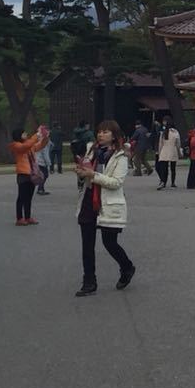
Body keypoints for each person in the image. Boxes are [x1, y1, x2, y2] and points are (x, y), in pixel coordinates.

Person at [74, 120, 135, 296]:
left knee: (109, 242)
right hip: (88, 199)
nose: (101, 135)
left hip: (108, 202)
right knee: (87, 244)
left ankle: (127, 266)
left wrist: (93, 175)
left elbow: (116, 183)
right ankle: (89, 282)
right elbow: (85, 176)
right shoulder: (91, 151)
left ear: (114, 135)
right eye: (99, 132)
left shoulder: (120, 156)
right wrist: (81, 174)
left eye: (106, 132)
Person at [11, 127, 49, 225]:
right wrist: (37, 135)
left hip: (32, 173)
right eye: (24, 133)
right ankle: (19, 218)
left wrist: (45, 137)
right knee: (21, 197)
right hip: (23, 174)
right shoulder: (15, 145)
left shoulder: (29, 144)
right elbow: (24, 147)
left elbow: (40, 146)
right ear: (19, 135)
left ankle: (27, 217)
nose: (26, 134)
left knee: (29, 197)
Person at [155, 117, 181, 191]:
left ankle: (163, 182)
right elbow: (178, 143)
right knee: (173, 168)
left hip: (164, 151)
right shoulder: (175, 132)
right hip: (173, 150)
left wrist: (159, 153)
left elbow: (160, 144)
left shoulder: (163, 133)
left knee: (164, 168)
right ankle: (173, 183)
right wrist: (179, 151)